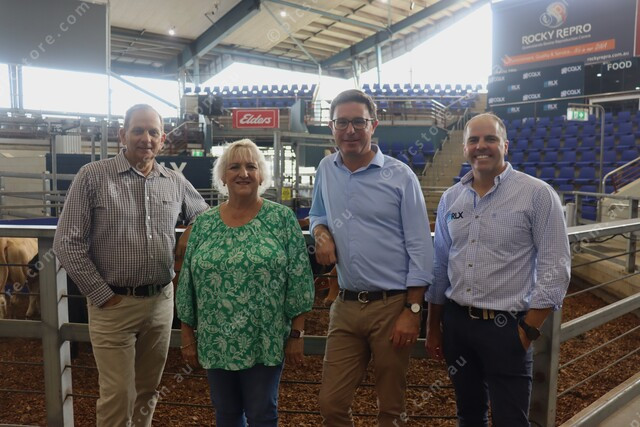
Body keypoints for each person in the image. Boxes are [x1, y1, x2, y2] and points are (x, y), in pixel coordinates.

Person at [53, 104, 208, 427]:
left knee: (148, 391)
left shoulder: (175, 181)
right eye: (138, 130)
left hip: (160, 302)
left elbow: (206, 219)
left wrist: (190, 231)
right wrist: (102, 295)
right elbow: (67, 242)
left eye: (153, 132)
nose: (145, 138)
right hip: (113, 304)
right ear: (122, 135)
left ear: (163, 140)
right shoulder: (93, 176)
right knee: (118, 395)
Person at [425, 113, 571, 426]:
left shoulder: (537, 194)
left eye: (490, 139)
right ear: (465, 148)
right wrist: (433, 325)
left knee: (511, 420)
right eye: (474, 140)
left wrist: (528, 330)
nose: (481, 146)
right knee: (469, 415)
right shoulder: (451, 199)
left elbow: (556, 266)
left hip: (507, 328)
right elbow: (439, 266)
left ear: (505, 145)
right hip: (457, 324)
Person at [309, 89, 434, 427]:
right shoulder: (326, 168)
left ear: (373, 125)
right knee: (331, 404)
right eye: (342, 122)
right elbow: (318, 213)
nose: (350, 130)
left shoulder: (401, 176)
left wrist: (413, 310)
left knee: (391, 408)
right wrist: (321, 234)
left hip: (391, 306)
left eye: (358, 122)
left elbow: (420, 246)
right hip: (346, 306)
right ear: (331, 127)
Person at [176, 139, 314, 427]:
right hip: (216, 338)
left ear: (261, 176)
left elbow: (300, 278)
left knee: (262, 414)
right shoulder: (204, 224)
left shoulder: (281, 219)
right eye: (234, 167)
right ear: (223, 177)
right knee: (225, 414)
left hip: (265, 339)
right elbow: (187, 281)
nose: (243, 173)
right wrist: (187, 335)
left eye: (251, 166)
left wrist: (297, 334)